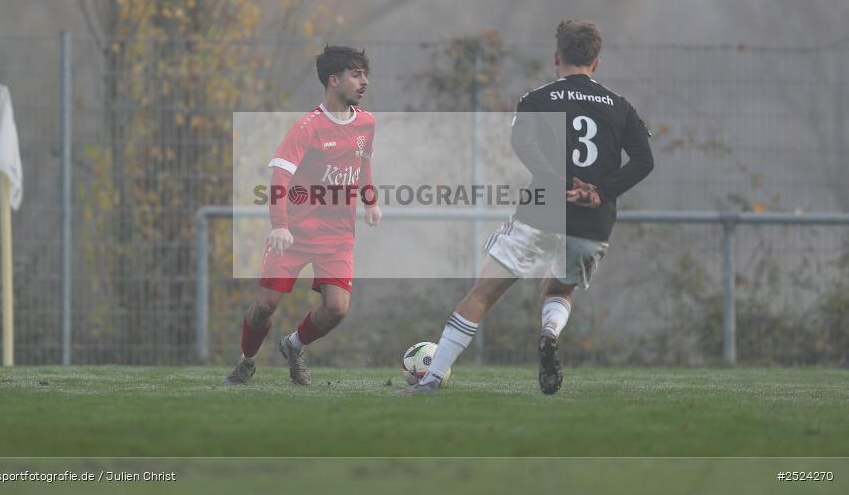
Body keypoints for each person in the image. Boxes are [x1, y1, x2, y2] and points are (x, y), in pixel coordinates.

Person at [404, 20, 654, 395]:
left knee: (482, 294)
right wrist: (598, 191)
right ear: (597, 63)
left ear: (556, 57)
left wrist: (559, 183)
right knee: (558, 290)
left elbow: (523, 145)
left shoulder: (538, 98)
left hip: (543, 211)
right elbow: (643, 160)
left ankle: (433, 378)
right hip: (594, 222)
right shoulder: (621, 107)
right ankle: (550, 333)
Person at [224, 45, 381, 386]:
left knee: (337, 309)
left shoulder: (367, 123)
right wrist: (280, 225)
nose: (364, 81)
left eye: (365, 74)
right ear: (334, 80)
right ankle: (246, 360)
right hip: (295, 232)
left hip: (337, 235)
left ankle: (294, 346)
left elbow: (363, 164)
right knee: (265, 306)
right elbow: (280, 176)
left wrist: (370, 200)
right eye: (356, 75)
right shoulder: (307, 127)